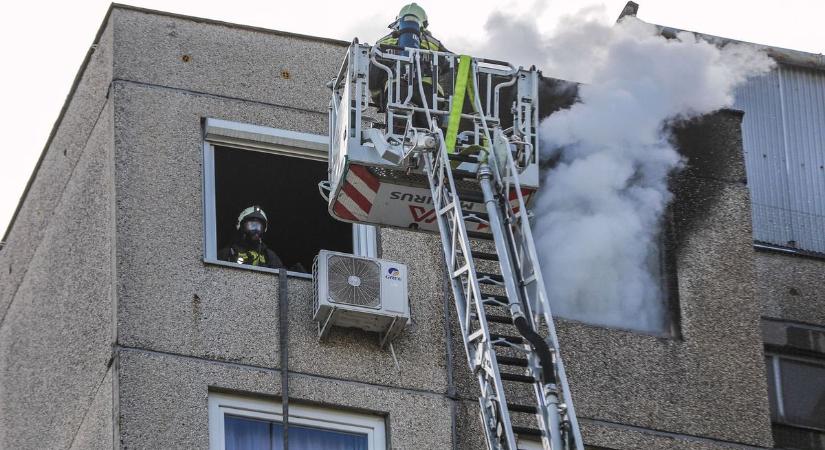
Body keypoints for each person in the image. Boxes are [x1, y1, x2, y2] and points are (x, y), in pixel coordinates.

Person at [371, 3, 451, 128]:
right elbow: (448, 66)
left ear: (397, 22)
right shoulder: (434, 43)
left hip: (397, 90)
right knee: (430, 130)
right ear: (423, 24)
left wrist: (379, 100)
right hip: (429, 92)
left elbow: (374, 76)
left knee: (398, 130)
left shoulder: (383, 42)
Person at [218, 205, 284, 269]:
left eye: (259, 227)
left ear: (264, 230)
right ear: (241, 226)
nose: (256, 230)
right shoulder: (228, 253)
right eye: (252, 225)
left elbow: (282, 274)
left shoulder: (269, 256)